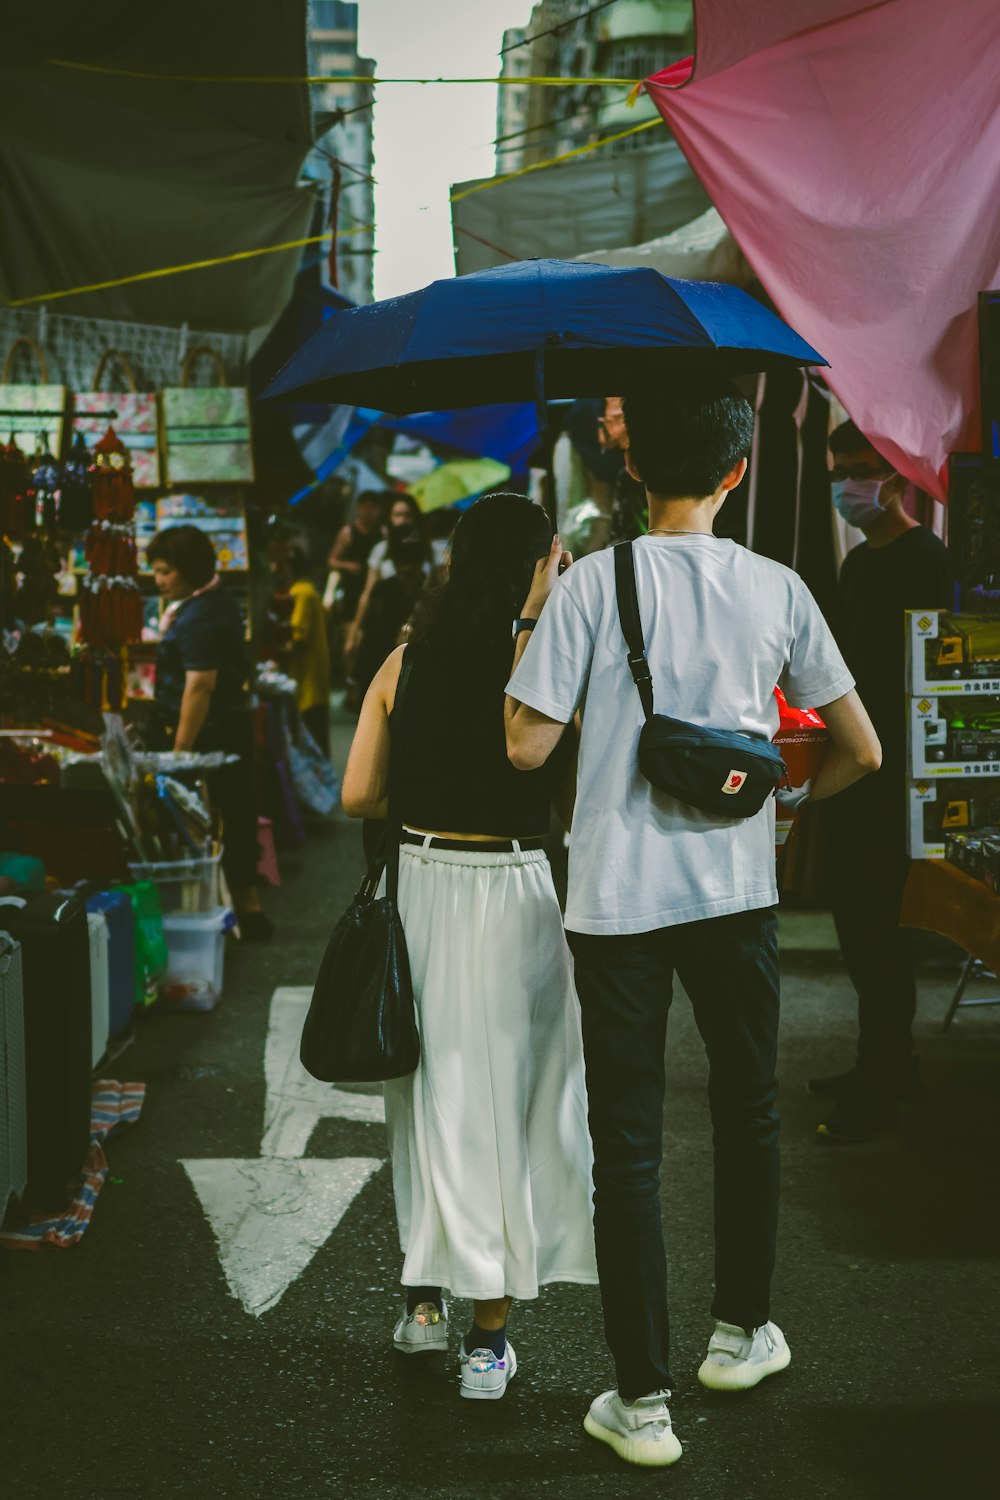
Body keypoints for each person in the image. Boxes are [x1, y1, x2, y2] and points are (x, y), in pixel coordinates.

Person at [504, 373, 881, 1469]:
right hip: (734, 897)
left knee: (625, 1146)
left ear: (628, 464)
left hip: (613, 900)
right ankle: (739, 1333)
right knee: (746, 1110)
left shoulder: (587, 587)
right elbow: (858, 748)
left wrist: (536, 606)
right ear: (736, 469)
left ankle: (641, 1402)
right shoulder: (778, 587)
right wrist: (786, 809)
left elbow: (524, 747)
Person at [340, 494, 597, 1402]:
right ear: (541, 565)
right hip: (518, 891)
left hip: (422, 884)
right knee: (508, 1107)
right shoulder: (551, 671)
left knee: (427, 1098)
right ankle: (489, 1341)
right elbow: (569, 796)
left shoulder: (403, 661)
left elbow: (358, 794)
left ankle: (420, 1306)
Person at [808, 418, 949, 1141]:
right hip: (853, 773)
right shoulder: (860, 564)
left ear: (895, 476)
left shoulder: (926, 559)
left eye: (856, 470)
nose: (844, 486)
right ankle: (884, 1061)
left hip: (898, 781)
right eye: (837, 472)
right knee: (858, 929)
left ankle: (886, 1071)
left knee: (881, 932)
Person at [148, 525, 271, 941]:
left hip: (209, 735)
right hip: (224, 730)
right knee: (233, 813)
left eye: (165, 571)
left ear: (188, 570)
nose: (157, 579)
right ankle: (244, 909)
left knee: (218, 816)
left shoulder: (200, 614)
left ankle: (235, 912)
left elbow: (199, 686)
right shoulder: (211, 605)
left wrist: (180, 753)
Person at [350, 526, 427, 701]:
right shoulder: (433, 587)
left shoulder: (384, 589)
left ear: (393, 557)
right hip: (422, 671)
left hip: (386, 667)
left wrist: (357, 676)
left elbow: (373, 634)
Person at [284, 545, 331, 753]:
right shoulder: (309, 590)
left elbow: (298, 636)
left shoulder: (300, 593)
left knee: (312, 746)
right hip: (315, 683)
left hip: (306, 685)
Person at [326, 490, 386, 624]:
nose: (368, 511)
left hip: (372, 589)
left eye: (372, 507)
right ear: (359, 507)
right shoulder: (348, 533)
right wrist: (348, 566)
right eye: (365, 506)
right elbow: (332, 560)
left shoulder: (383, 533)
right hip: (350, 590)